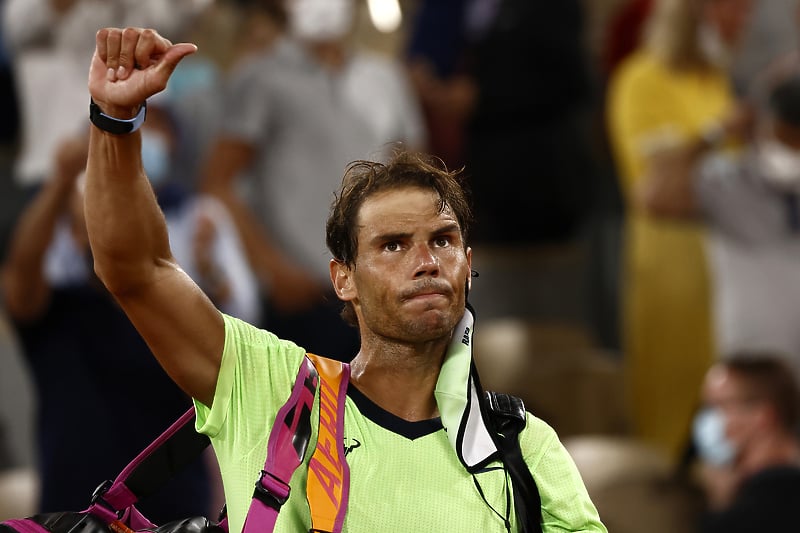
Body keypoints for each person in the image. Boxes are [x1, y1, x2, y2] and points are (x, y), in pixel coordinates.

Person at [82, 26, 607, 532]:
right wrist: (115, 119)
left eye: (442, 240)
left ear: (468, 265)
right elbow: (138, 270)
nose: (426, 261)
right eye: (393, 245)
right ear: (344, 279)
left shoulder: (521, 444)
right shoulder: (273, 387)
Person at [0, 96, 259, 517]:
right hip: (72, 517)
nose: (102, 234)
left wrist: (210, 271)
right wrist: (60, 183)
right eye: (88, 222)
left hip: (172, 517)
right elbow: (21, 272)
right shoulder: (55, 316)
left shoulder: (169, 315)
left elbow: (231, 359)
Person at [200, 0, 426, 362]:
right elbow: (218, 183)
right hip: (305, 297)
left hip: (383, 291)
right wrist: (271, 268)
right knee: (306, 415)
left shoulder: (385, 77)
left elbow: (418, 180)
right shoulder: (260, 79)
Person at [606, 0, 754, 460]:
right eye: (732, 10)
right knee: (671, 396)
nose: (741, 21)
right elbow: (649, 184)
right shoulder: (640, 80)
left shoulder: (713, 78)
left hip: (724, 266)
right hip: (670, 270)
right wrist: (715, 134)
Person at [634, 64, 800, 380]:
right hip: (753, 369)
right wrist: (715, 133)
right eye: (786, 137)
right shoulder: (727, 181)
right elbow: (652, 197)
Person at [691, 354, 800, 532]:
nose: (708, 419)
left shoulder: (775, 496)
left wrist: (721, 506)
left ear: (763, 415)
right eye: (707, 407)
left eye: (720, 406)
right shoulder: (745, 488)